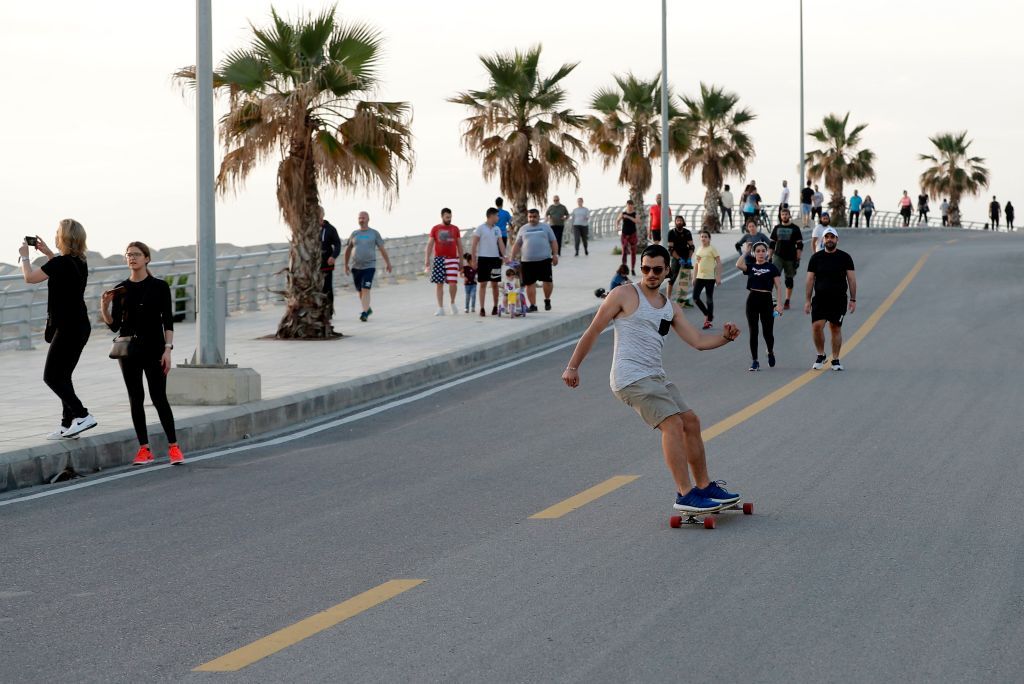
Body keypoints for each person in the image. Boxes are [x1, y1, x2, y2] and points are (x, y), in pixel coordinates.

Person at [561, 244, 743, 515]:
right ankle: (685, 494)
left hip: (656, 377)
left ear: (667, 270)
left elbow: (698, 341)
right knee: (673, 423)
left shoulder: (669, 307)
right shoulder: (623, 294)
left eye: (657, 269)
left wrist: (725, 338)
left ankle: (704, 487)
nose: (650, 274)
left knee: (690, 421)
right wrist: (572, 366)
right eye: (645, 268)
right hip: (629, 377)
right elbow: (594, 330)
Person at [100, 242, 183, 465]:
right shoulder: (120, 290)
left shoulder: (159, 286)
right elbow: (114, 326)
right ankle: (144, 449)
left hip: (155, 349)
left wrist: (168, 349)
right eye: (128, 255)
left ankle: (174, 447)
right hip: (129, 352)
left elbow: (168, 320)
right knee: (135, 399)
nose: (132, 258)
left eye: (136, 254)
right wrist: (105, 308)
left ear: (147, 258)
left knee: (159, 398)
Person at [19, 220, 96, 440]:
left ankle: (82, 415)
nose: (54, 235)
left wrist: (25, 255)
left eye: (57, 232)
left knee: (51, 377)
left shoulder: (61, 264)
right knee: (64, 375)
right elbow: (63, 269)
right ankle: (67, 425)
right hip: (80, 326)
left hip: (68, 328)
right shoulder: (79, 262)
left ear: (64, 237)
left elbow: (29, 278)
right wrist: (49, 253)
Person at [804, 227, 856, 371]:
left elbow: (851, 279)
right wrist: (807, 301)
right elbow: (809, 280)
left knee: (835, 328)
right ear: (823, 240)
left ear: (837, 239)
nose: (829, 240)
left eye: (832, 237)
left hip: (839, 299)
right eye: (827, 237)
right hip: (820, 299)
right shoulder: (816, 258)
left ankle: (836, 359)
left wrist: (853, 299)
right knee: (816, 326)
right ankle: (821, 354)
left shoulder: (845, 257)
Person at [735, 243, 784, 371]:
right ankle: (755, 361)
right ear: (754, 253)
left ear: (767, 252)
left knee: (768, 333)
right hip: (752, 301)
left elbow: (778, 286)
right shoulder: (751, 267)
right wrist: (746, 252)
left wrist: (779, 304)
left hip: (767, 301)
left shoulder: (772, 267)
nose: (761, 253)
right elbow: (738, 265)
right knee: (753, 332)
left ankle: (770, 351)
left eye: (763, 251)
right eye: (758, 251)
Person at [343, 211, 392, 322]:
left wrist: (388, 263)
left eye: (363, 217)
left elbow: (382, 249)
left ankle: (364, 313)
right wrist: (345, 265)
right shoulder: (354, 233)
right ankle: (367, 309)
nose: (361, 219)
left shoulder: (374, 233)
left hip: (369, 266)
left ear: (368, 219)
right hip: (356, 267)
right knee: (360, 291)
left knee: (366, 289)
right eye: (359, 218)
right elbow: (348, 249)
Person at [512, 208, 559, 312]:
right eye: (530, 217)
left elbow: (553, 241)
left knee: (547, 281)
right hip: (527, 261)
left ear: (538, 217)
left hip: (544, 260)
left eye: (534, 217)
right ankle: (533, 305)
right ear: (527, 217)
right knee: (529, 283)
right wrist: (512, 257)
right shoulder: (523, 229)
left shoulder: (546, 227)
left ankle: (547, 300)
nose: (532, 219)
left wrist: (555, 255)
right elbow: (517, 244)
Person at [424, 207, 464, 316]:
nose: (449, 219)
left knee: (453, 283)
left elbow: (460, 245)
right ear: (442, 216)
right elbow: (429, 245)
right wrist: (427, 259)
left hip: (452, 258)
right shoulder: (435, 229)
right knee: (439, 284)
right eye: (447, 217)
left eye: (450, 217)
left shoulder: (455, 229)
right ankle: (440, 308)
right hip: (439, 259)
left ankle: (452, 303)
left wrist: (461, 260)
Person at [470, 207, 507, 316]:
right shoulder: (480, 228)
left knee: (495, 284)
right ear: (491, 216)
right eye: (497, 215)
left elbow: (501, 244)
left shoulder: (497, 229)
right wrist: (473, 260)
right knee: (483, 284)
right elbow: (474, 245)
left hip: (495, 259)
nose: (498, 217)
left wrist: (505, 256)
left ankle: (495, 307)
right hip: (483, 259)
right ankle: (482, 308)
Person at [769, 207, 803, 310]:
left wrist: (798, 259)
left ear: (789, 215)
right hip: (778, 256)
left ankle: (787, 300)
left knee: (789, 280)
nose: (784, 216)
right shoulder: (776, 228)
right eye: (782, 214)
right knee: (773, 277)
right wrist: (769, 257)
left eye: (786, 214)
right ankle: (770, 298)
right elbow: (772, 244)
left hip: (790, 257)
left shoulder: (795, 228)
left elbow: (800, 245)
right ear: (780, 216)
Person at [691, 230, 721, 330]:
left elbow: (718, 263)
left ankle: (707, 321)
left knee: (709, 300)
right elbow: (696, 264)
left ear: (709, 239)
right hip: (700, 277)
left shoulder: (712, 249)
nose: (703, 238)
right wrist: (694, 277)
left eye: (705, 237)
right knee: (695, 297)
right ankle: (707, 314)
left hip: (710, 278)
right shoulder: (699, 249)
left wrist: (718, 277)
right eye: (702, 237)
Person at [318, 206, 342, 327]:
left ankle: (329, 311)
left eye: (318, 213)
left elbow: (337, 244)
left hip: (326, 264)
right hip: (312, 266)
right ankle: (317, 311)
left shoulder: (330, 229)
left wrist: (333, 256)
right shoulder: (309, 228)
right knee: (316, 288)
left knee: (327, 288)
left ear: (322, 214)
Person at [665, 215, 693, 305]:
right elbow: (670, 249)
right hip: (676, 257)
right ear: (675, 222)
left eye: (680, 220)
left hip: (685, 256)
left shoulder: (687, 232)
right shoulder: (671, 233)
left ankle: (682, 300)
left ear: (683, 222)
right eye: (677, 221)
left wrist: (689, 258)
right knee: (672, 278)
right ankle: (668, 299)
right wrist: (678, 258)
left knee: (684, 279)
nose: (679, 222)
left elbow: (691, 246)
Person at [617, 200, 639, 275]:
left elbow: (637, 221)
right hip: (624, 234)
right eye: (628, 205)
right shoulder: (623, 213)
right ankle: (624, 268)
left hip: (633, 234)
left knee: (633, 252)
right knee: (624, 250)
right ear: (626, 205)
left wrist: (628, 217)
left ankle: (632, 269)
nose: (629, 206)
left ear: (633, 205)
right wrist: (617, 227)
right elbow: (617, 220)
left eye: (631, 205)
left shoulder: (635, 213)